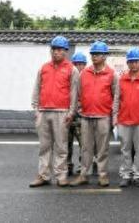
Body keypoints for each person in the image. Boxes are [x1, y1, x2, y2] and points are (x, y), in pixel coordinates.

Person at [29, 36, 79, 188]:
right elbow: (37, 88)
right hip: (43, 111)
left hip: (61, 112)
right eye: (54, 49)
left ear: (66, 51)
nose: (56, 52)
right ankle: (43, 175)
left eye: (59, 49)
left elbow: (74, 93)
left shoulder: (72, 69)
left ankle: (61, 175)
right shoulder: (43, 68)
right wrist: (36, 109)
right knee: (44, 146)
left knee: (61, 146)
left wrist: (71, 112)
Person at [70, 41, 118, 187]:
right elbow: (77, 93)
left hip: (103, 116)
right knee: (85, 148)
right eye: (93, 54)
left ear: (105, 56)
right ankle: (83, 174)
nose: (94, 57)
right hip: (86, 116)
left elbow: (116, 96)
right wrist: (77, 109)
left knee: (102, 149)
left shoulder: (112, 74)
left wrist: (114, 116)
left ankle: (103, 175)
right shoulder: (84, 73)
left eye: (97, 54)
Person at [113, 48, 139, 188]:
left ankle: (138, 174)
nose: (133, 64)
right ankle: (126, 174)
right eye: (130, 62)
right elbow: (117, 99)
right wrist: (114, 116)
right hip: (124, 119)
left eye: (136, 61)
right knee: (125, 149)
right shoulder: (122, 79)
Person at [67, 52, 86, 177]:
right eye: (76, 64)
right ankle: (67, 165)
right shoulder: (67, 78)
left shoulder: (88, 78)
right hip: (67, 115)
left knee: (84, 143)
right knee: (65, 143)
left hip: (81, 116)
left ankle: (82, 165)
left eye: (81, 64)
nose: (79, 66)